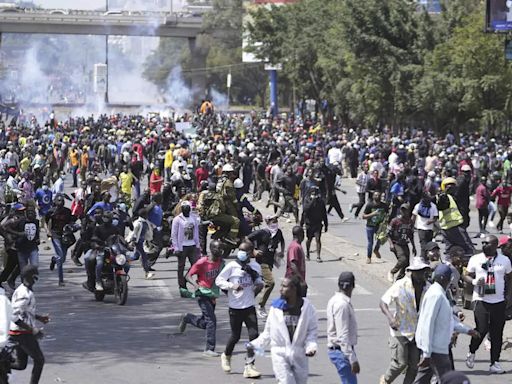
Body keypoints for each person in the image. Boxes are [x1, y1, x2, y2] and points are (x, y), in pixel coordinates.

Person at [246, 274, 318, 384]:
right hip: (280, 354)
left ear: (293, 289)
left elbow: (312, 330)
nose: (280, 289)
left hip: (299, 353)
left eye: (284, 286)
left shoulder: (307, 308)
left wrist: (311, 346)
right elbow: (268, 332)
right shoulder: (276, 308)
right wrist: (255, 345)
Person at [414, 264, 477, 384]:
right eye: (449, 278)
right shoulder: (435, 295)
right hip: (436, 349)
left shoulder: (440, 293)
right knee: (449, 379)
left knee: (423, 380)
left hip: (438, 348)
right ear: (443, 278)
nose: (450, 281)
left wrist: (467, 330)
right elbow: (427, 323)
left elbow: (447, 321)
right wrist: (427, 353)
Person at [464, 234, 512, 374]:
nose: (484, 245)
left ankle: (494, 362)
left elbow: (510, 278)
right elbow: (466, 275)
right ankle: (472, 351)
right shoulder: (475, 259)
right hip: (481, 299)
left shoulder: (504, 261)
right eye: (483, 243)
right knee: (482, 328)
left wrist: (509, 295)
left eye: (487, 243)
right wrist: (473, 282)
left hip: (499, 301)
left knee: (497, 333)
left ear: (495, 245)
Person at [215, 241, 264, 379]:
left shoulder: (254, 266)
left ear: (250, 253)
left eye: (244, 251)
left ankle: (249, 366)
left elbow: (259, 281)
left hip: (249, 306)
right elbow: (219, 281)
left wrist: (259, 285)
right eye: (240, 250)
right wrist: (232, 285)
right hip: (235, 307)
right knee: (235, 336)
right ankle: (226, 355)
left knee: (254, 335)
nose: (241, 253)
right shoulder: (232, 266)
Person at [379, 257, 431, 384]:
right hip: (400, 330)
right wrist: (391, 318)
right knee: (400, 363)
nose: (421, 274)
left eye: (423, 271)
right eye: (418, 271)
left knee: (414, 366)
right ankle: (385, 380)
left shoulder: (428, 287)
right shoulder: (401, 285)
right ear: (412, 272)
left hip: (417, 332)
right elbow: (383, 302)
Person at [178, 240, 224, 357]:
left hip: (212, 295)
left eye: (222, 249)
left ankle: (188, 318)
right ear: (212, 249)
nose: (221, 251)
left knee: (205, 323)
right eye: (219, 249)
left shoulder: (221, 262)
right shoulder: (202, 262)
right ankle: (209, 348)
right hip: (202, 294)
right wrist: (195, 284)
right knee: (211, 322)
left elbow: (223, 279)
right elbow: (188, 276)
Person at [9, 265, 49, 384]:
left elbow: (24, 311)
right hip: (21, 333)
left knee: (21, 365)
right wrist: (32, 329)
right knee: (39, 360)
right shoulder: (24, 294)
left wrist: (38, 317)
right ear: (28, 277)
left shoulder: (22, 289)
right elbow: (13, 315)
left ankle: (2, 364)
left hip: (18, 332)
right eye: (34, 278)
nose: (35, 281)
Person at [247, 215, 285, 318]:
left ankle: (248, 302)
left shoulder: (278, 232)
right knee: (270, 282)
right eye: (272, 221)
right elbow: (247, 238)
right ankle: (261, 305)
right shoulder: (262, 232)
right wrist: (253, 250)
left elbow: (282, 241)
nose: (274, 223)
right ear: (267, 222)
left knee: (260, 284)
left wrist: (281, 251)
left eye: (276, 221)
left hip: (270, 261)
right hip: (261, 261)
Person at [326, 271, 360, 384]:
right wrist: (352, 359)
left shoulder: (334, 300)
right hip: (342, 352)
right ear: (353, 286)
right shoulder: (342, 305)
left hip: (339, 350)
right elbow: (342, 336)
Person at [46, 194, 75, 287]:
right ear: (54, 202)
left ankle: (54, 259)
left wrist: (71, 227)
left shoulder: (67, 211)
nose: (60, 203)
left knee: (62, 259)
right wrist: (48, 231)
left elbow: (71, 221)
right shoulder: (51, 212)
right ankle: (61, 280)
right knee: (60, 256)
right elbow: (47, 221)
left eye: (62, 201)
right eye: (58, 201)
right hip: (55, 235)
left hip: (65, 236)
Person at [171, 201, 200, 291]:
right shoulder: (177, 219)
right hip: (182, 247)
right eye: (184, 208)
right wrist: (176, 247)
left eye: (187, 207)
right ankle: (182, 286)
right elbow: (174, 234)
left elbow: (196, 232)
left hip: (192, 245)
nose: (186, 209)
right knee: (181, 266)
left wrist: (198, 245)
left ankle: (187, 278)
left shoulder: (193, 218)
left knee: (196, 265)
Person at [387, 204, 417, 282]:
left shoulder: (410, 222)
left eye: (405, 210)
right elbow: (388, 234)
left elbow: (411, 235)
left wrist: (414, 247)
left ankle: (399, 280)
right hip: (396, 243)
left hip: (405, 243)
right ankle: (392, 272)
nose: (403, 212)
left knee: (406, 264)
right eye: (402, 210)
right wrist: (391, 244)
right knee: (402, 260)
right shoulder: (395, 221)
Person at [301, 186, 328, 263]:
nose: (315, 195)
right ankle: (307, 253)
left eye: (316, 193)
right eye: (313, 193)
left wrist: (326, 225)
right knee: (309, 239)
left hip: (318, 223)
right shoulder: (306, 200)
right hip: (309, 224)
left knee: (318, 239)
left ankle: (318, 256)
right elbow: (305, 210)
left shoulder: (321, 202)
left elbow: (324, 214)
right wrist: (301, 224)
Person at [362, 191, 388, 263]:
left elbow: (387, 214)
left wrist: (386, 221)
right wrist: (372, 214)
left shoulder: (384, 205)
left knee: (381, 239)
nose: (377, 197)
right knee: (370, 242)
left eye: (379, 195)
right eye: (376, 195)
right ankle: (369, 257)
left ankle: (376, 249)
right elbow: (363, 216)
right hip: (370, 226)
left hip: (379, 226)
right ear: (373, 196)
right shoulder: (369, 205)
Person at [412, 192, 438, 261]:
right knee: (423, 246)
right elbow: (413, 217)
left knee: (429, 246)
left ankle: (426, 259)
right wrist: (411, 226)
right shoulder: (418, 206)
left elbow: (435, 218)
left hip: (430, 229)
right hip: (421, 229)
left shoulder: (433, 206)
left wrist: (431, 221)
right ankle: (423, 260)